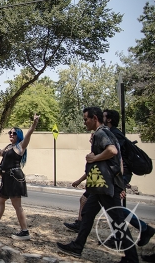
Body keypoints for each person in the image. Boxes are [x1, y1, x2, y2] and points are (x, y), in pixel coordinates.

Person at [57, 106, 139, 263]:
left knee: (117, 221)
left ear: (95, 118)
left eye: (86, 119)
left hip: (106, 187)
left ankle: (132, 258)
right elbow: (119, 160)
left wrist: (94, 158)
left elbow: (113, 151)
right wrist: (121, 184)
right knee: (87, 213)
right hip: (101, 187)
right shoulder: (107, 133)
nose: (84, 122)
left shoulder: (101, 133)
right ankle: (77, 246)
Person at [0, 114, 40, 241]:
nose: (11, 134)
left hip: (15, 177)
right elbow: (0, 153)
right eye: (10, 132)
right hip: (7, 178)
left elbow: (29, 135)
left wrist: (34, 124)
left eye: (13, 133)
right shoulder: (9, 147)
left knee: (17, 205)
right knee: (1, 199)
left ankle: (25, 231)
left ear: (18, 136)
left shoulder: (20, 146)